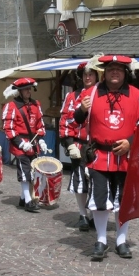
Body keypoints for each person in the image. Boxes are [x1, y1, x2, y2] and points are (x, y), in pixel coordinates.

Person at [74, 55, 139, 260]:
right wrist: (82, 109)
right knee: (99, 200)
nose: (115, 72)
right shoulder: (91, 93)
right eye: (110, 69)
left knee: (123, 201)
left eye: (119, 69)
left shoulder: (138, 95)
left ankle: (122, 241)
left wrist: (130, 143)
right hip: (99, 156)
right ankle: (101, 240)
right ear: (104, 73)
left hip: (126, 158)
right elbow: (77, 119)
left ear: (126, 73)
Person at [59, 62, 98, 232]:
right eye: (85, 75)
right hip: (79, 145)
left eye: (91, 74)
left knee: (98, 183)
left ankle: (94, 214)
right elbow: (65, 122)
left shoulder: (104, 95)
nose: (87, 77)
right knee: (80, 182)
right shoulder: (72, 97)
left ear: (97, 76)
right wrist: (69, 145)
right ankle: (83, 215)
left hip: (99, 146)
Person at [2, 78, 48, 213]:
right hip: (19, 143)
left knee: (33, 171)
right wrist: (21, 144)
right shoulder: (11, 106)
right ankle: (28, 201)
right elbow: (8, 128)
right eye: (26, 89)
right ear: (19, 91)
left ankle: (23, 198)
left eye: (29, 88)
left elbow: (40, 125)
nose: (28, 91)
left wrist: (41, 140)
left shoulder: (36, 104)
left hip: (33, 143)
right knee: (24, 170)